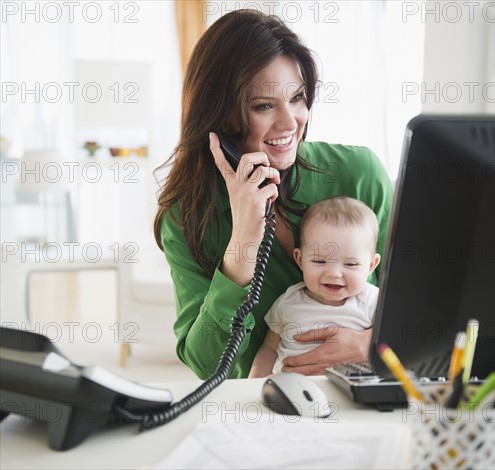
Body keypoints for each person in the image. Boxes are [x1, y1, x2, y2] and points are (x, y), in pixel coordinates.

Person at [154, 9, 393, 379]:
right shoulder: (186, 217)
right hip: (269, 410)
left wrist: (375, 345)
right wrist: (243, 244)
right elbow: (205, 364)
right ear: (218, 116)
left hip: (361, 397)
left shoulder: (360, 174)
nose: (290, 123)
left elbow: (430, 306)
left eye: (297, 97)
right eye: (263, 105)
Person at [249, 197, 381, 377]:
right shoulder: (287, 302)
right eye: (319, 261)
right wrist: (255, 384)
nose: (334, 273)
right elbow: (269, 348)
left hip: (350, 394)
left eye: (350, 264)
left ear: (371, 265)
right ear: (300, 259)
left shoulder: (372, 301)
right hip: (291, 391)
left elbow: (397, 341)